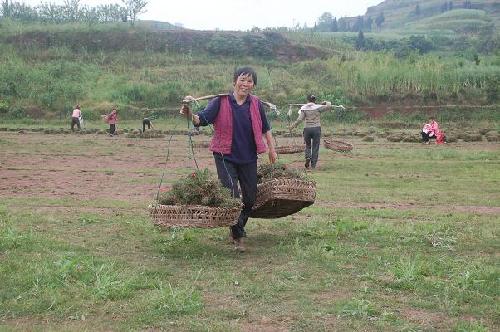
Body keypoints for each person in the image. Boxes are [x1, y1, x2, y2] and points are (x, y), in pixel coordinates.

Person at [181, 66, 277, 252]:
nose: (245, 84)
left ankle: (235, 226)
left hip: (249, 157)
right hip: (225, 156)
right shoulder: (220, 101)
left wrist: (272, 150)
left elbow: (266, 129)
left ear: (253, 85)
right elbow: (200, 120)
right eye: (242, 80)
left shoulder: (256, 104)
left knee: (250, 198)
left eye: (250, 81)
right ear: (235, 81)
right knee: (233, 197)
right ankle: (238, 236)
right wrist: (188, 113)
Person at [288, 94, 333, 169]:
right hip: (316, 129)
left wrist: (292, 126)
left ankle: (308, 157)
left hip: (307, 129)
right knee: (315, 147)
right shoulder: (318, 107)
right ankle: (313, 165)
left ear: (307, 100)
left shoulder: (304, 108)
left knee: (308, 145)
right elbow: (329, 106)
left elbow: (300, 119)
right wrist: (325, 102)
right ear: (315, 100)